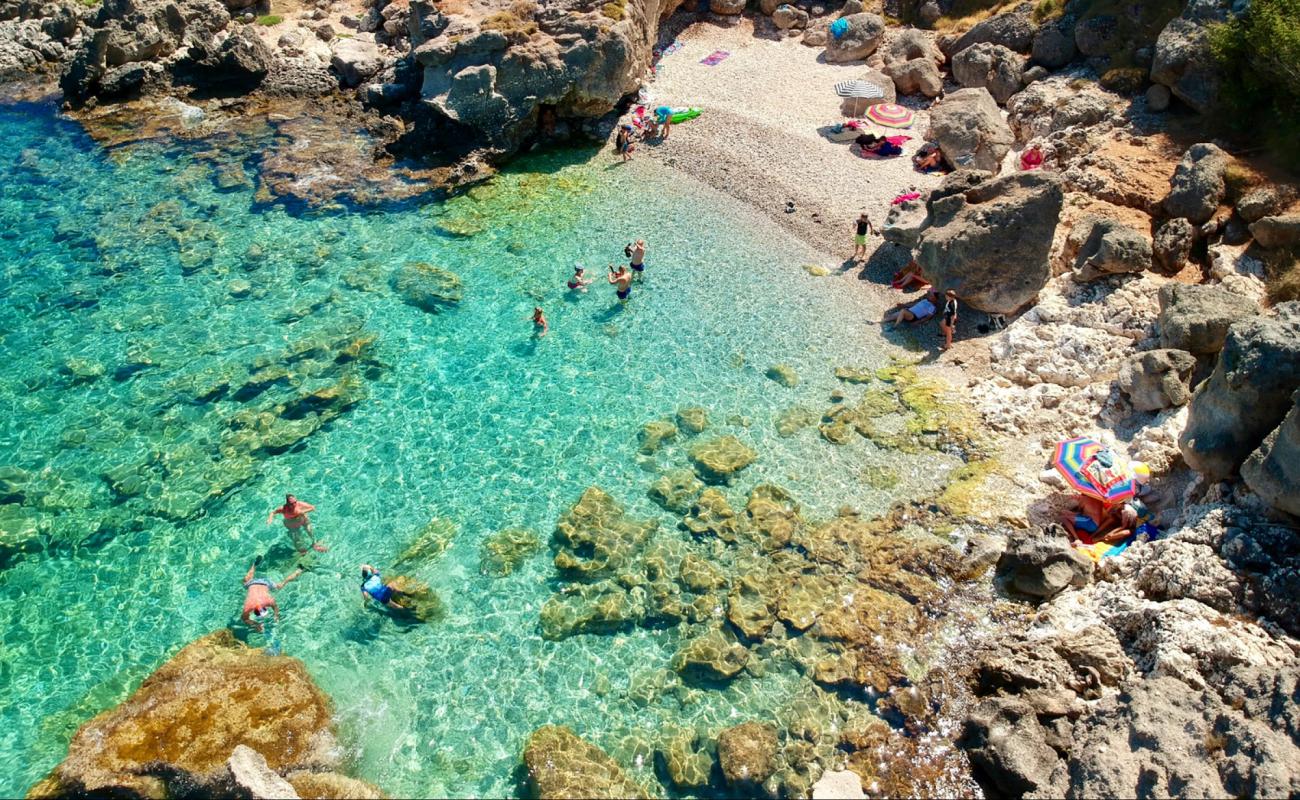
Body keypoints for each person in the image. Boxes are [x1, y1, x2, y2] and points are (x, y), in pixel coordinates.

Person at [241, 556, 301, 632]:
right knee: (246, 580)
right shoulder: (266, 601)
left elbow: (244, 619)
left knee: (280, 585)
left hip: (263, 583)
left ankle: (299, 570)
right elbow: (275, 607)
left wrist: (256, 625)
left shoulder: (249, 606)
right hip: (256, 583)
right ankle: (299, 570)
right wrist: (276, 616)